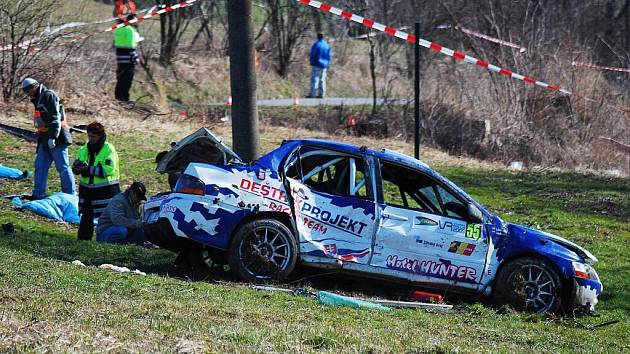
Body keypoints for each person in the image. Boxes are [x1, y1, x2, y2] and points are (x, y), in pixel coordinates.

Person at [22, 78, 76, 200]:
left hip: (57, 137)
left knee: (62, 167)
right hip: (45, 138)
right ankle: (38, 194)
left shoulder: (48, 95)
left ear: (33, 87)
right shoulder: (38, 98)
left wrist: (53, 137)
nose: (27, 94)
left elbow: (55, 117)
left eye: (27, 91)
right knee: (40, 165)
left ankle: (70, 196)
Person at [72, 122, 120, 240]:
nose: (91, 139)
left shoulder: (109, 149)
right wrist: (76, 168)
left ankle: (108, 239)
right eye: (89, 136)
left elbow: (108, 170)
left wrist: (87, 169)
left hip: (106, 192)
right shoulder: (84, 149)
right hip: (87, 190)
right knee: (86, 216)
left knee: (108, 217)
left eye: (93, 136)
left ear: (100, 136)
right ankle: (83, 239)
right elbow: (78, 166)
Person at [113, 14, 142, 102]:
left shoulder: (118, 29)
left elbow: (115, 44)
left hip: (120, 58)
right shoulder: (130, 30)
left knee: (120, 78)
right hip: (129, 59)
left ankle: (118, 97)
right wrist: (136, 57)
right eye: (136, 20)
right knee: (127, 80)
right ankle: (125, 99)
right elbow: (131, 46)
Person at [308, 33, 331, 98]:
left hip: (316, 63)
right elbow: (329, 56)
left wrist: (311, 62)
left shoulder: (316, 45)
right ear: (323, 37)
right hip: (324, 64)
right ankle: (322, 94)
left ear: (317, 37)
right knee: (322, 79)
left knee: (315, 79)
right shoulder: (327, 45)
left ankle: (313, 94)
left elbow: (313, 54)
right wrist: (327, 63)